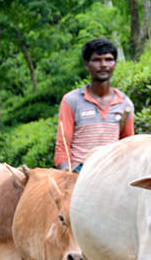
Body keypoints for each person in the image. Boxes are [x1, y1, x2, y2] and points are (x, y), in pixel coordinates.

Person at [54, 37, 135, 172]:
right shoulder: (71, 101)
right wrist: (67, 175)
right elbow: (62, 148)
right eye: (97, 60)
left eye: (108, 60)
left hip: (112, 172)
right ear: (87, 64)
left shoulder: (125, 104)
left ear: (115, 64)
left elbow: (129, 147)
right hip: (80, 171)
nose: (103, 65)